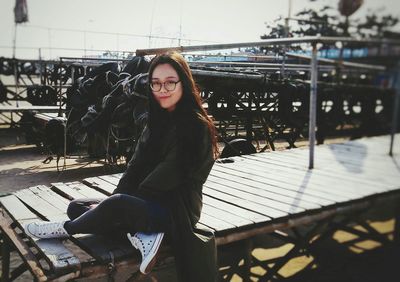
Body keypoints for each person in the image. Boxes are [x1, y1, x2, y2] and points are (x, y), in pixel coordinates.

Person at [24, 52, 219, 281]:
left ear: (183, 83)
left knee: (115, 206)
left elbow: (169, 174)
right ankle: (140, 234)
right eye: (156, 84)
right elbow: (135, 166)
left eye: (170, 82)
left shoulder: (196, 126)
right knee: (78, 206)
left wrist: (120, 203)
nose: (162, 89)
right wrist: (116, 199)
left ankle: (63, 229)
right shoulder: (156, 121)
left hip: (177, 210)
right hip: (146, 204)